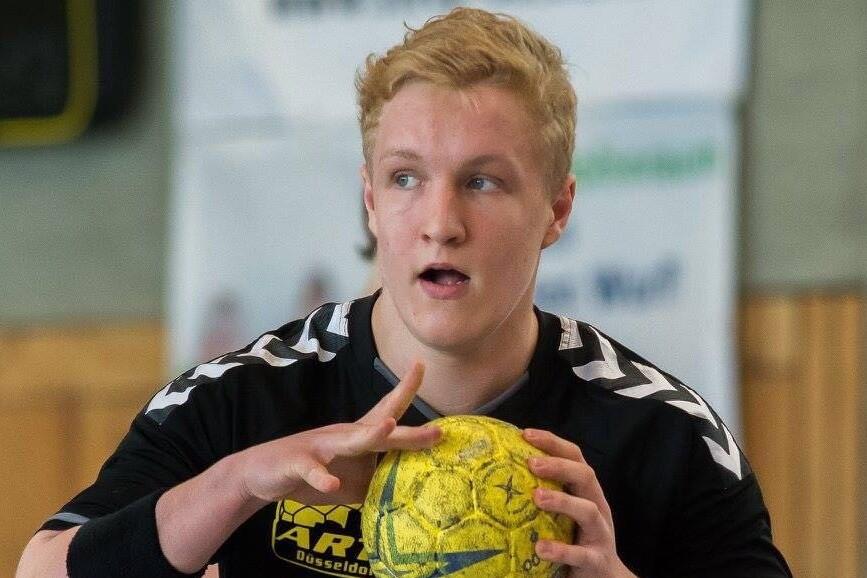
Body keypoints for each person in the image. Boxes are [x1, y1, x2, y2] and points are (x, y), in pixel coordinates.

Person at [17, 7, 791, 578]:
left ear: (556, 209)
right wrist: (238, 484)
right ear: (369, 201)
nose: (439, 223)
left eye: (482, 182)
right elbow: (41, 569)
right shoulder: (242, 401)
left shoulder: (660, 433)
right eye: (406, 178)